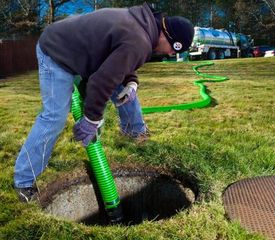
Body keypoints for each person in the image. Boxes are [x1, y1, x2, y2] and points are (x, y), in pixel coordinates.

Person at [14, 2, 194, 202]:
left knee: (125, 89)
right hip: (57, 53)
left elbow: (120, 58)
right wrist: (91, 120)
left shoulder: (142, 25)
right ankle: (23, 181)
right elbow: (101, 82)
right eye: (174, 49)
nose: (171, 54)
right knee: (54, 116)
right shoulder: (140, 40)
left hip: (79, 53)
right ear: (166, 36)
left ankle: (135, 133)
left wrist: (131, 82)